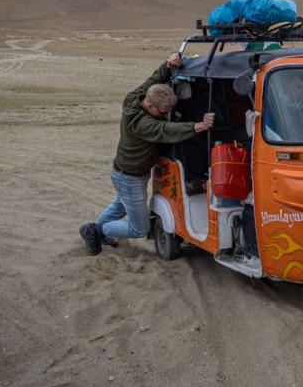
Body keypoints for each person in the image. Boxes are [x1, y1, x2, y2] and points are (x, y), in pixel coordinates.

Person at [79, 53, 214, 255]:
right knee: (139, 228)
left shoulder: (136, 98)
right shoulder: (141, 124)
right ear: (151, 106)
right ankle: (98, 230)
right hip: (129, 177)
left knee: (120, 205)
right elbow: (165, 131)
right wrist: (198, 126)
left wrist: (167, 65)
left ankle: (97, 229)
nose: (166, 114)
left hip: (128, 173)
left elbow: (153, 80)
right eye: (163, 111)